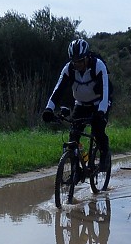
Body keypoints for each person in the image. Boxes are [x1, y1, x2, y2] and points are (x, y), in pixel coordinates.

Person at [41, 38, 112, 171]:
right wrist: (48, 109)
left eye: (80, 60)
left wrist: (101, 112)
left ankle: (104, 156)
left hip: (99, 102)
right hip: (80, 103)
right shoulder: (68, 69)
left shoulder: (98, 66)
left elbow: (105, 91)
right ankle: (76, 168)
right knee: (73, 136)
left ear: (87, 57)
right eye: (74, 61)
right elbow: (58, 90)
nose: (77, 64)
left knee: (98, 130)